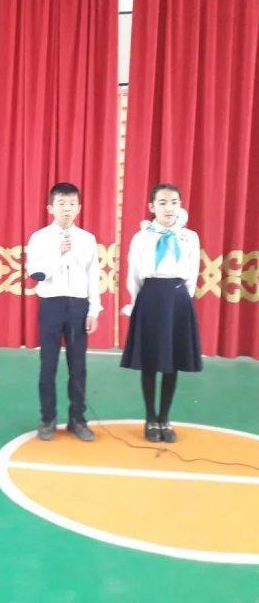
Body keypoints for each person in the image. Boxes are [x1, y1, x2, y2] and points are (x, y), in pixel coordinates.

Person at [120, 184, 202, 443]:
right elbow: (133, 273)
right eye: (163, 202)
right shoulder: (142, 237)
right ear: (152, 207)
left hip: (177, 299)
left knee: (172, 360)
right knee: (150, 360)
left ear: (180, 205)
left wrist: (182, 299)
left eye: (174, 202)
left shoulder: (189, 237)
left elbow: (193, 271)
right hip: (151, 298)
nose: (169, 208)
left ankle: (165, 417)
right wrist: (138, 302)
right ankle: (150, 418)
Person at [26, 182, 102, 442]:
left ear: (79, 208)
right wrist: (57, 254)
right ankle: (47, 418)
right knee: (48, 364)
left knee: (78, 365)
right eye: (61, 203)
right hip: (51, 304)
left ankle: (77, 418)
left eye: (71, 204)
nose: (67, 209)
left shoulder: (87, 239)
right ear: (51, 208)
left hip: (78, 306)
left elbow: (93, 275)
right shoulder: (40, 238)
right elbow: (36, 273)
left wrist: (94, 309)